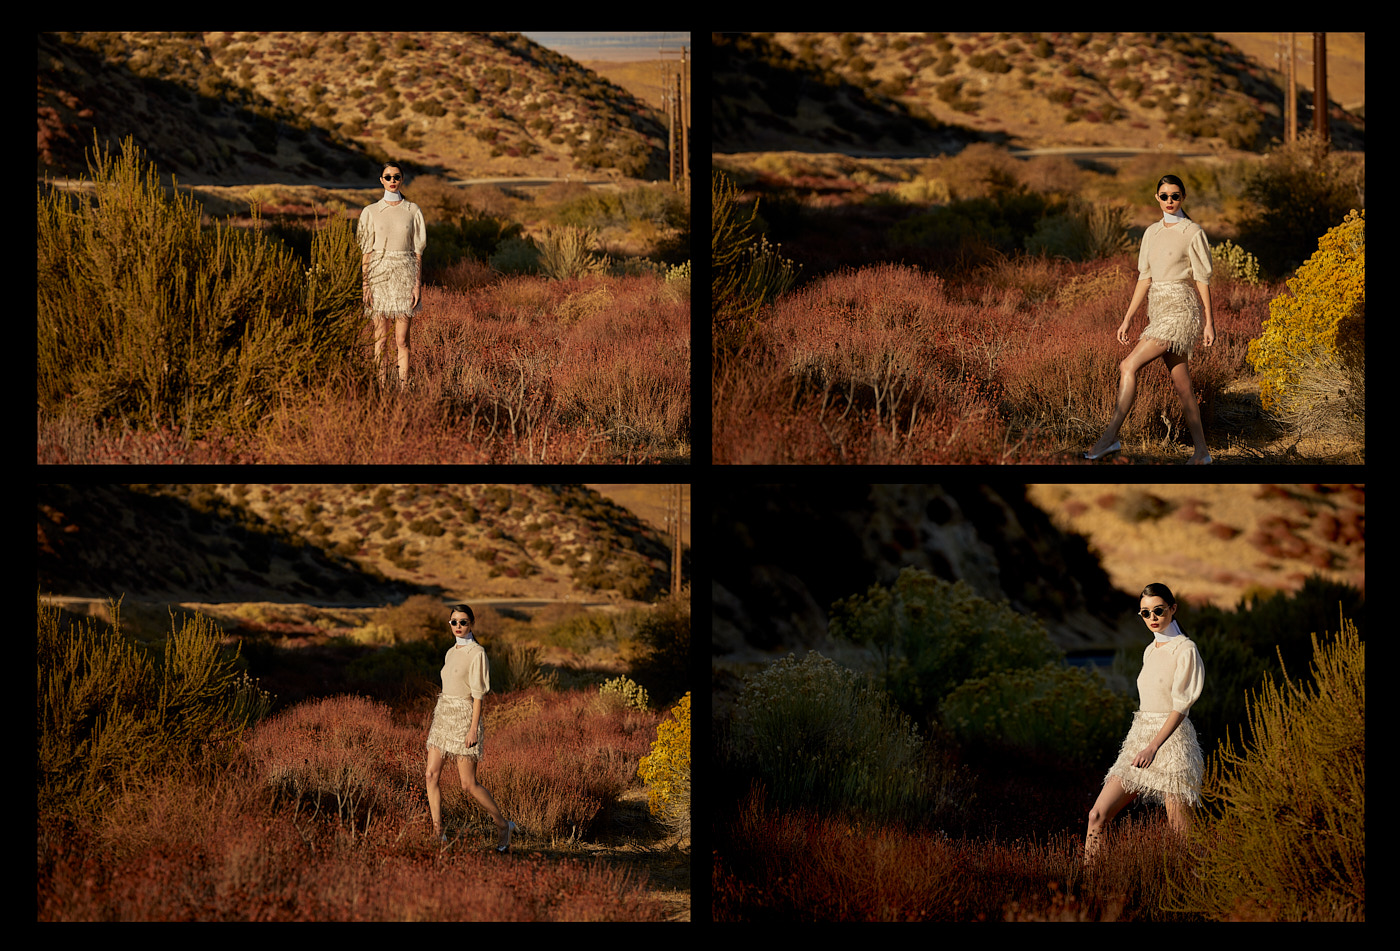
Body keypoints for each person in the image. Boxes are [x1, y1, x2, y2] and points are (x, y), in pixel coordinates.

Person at [1085, 175, 1215, 464]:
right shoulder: (1151, 233)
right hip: (1157, 310)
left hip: (1180, 311)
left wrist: (1209, 321)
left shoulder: (1192, 232)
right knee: (1183, 387)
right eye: (1165, 196)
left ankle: (1109, 438)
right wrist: (1127, 319)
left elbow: (1202, 279)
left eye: (1175, 196)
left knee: (1128, 365)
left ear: (1183, 197)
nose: (1170, 201)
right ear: (1157, 197)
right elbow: (1144, 278)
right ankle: (1202, 452)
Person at [1084, 582, 1205, 864]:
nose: (1152, 618)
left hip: (1173, 743)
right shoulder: (1150, 650)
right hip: (1139, 737)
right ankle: (1087, 888)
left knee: (1183, 838)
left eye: (1158, 611)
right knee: (1096, 815)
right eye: (1145, 613)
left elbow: (1181, 706)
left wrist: (1153, 747)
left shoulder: (1185, 649)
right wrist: (1144, 745)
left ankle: (1202, 895)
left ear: (1173, 609)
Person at [424, 604, 517, 852]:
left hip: (466, 717)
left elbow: (478, 696)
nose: (458, 627)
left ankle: (502, 825)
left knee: (468, 784)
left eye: (463, 622)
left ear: (471, 624)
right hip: (443, 715)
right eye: (454, 622)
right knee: (431, 775)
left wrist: (473, 729)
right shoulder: (450, 652)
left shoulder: (477, 653)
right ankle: (438, 834)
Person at [357, 163, 427, 387]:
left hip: (405, 275)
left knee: (401, 339)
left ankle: (404, 389)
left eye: (396, 176)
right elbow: (366, 252)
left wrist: (417, 285)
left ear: (402, 179)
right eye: (388, 176)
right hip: (378, 276)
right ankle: (382, 388)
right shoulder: (370, 212)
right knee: (380, 338)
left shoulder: (413, 210)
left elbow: (418, 251)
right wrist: (365, 285)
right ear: (381, 180)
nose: (392, 180)